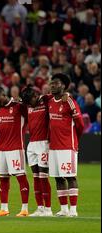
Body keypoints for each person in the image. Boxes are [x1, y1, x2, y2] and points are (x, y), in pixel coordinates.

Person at [0, 86, 30, 217]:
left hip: (16, 148)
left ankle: (25, 209)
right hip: (1, 148)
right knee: (3, 178)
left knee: (20, 177)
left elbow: (31, 110)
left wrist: (22, 100)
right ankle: (4, 209)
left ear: (3, 94)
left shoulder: (19, 106)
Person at [48, 73, 84, 217]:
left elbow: (80, 124)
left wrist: (74, 138)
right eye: (51, 83)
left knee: (70, 177)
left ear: (63, 86)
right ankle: (63, 209)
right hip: (54, 147)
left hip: (67, 146)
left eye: (56, 83)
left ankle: (73, 210)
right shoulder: (49, 101)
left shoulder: (69, 101)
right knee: (58, 177)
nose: (52, 86)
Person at [20, 85, 53, 217]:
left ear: (35, 96)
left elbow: (56, 95)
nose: (30, 105)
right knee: (35, 177)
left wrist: (66, 95)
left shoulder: (45, 101)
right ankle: (40, 208)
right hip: (32, 144)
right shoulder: (28, 105)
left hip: (44, 144)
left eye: (31, 102)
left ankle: (48, 209)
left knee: (44, 177)